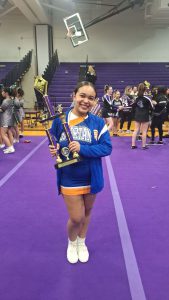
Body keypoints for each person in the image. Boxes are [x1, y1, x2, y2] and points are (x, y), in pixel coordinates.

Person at [49, 81, 112, 264]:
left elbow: (107, 148)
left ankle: (82, 242)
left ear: (95, 101)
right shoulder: (60, 120)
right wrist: (54, 150)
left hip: (91, 177)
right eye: (82, 96)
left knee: (88, 212)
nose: (86, 101)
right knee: (76, 217)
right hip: (69, 176)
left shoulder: (98, 123)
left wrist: (82, 148)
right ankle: (72, 242)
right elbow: (54, 142)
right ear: (74, 96)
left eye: (90, 98)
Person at [131, 83, 153, 150]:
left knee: (136, 130)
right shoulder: (147, 98)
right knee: (144, 131)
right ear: (145, 89)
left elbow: (133, 105)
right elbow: (152, 107)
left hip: (137, 115)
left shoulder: (136, 98)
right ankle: (143, 146)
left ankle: (133, 145)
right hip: (145, 115)